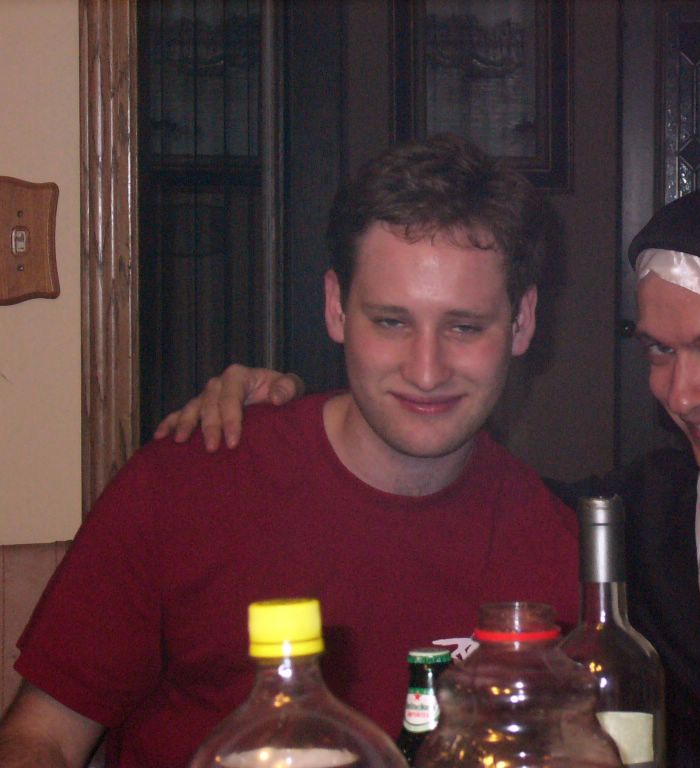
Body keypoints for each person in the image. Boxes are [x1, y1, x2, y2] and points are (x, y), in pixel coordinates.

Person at [169, 177, 700, 766]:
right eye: (659, 352)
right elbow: (439, 467)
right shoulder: (651, 510)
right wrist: (284, 407)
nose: (681, 393)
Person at [0, 134, 579, 768]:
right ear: (335, 308)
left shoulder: (553, 547)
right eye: (391, 321)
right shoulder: (188, 482)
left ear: (522, 322)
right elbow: (41, 739)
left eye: (464, 327)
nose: (425, 370)